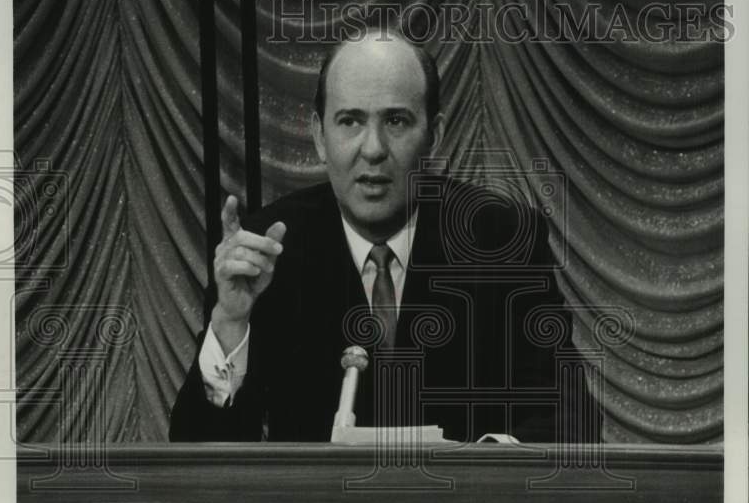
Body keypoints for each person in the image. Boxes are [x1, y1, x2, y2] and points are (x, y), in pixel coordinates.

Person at [170, 30, 600, 443]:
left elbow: (570, 418)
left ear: (435, 135)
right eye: (350, 121)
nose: (372, 148)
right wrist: (229, 324)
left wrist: (480, 470)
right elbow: (199, 458)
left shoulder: (501, 239)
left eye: (395, 120)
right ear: (320, 137)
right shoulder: (267, 250)